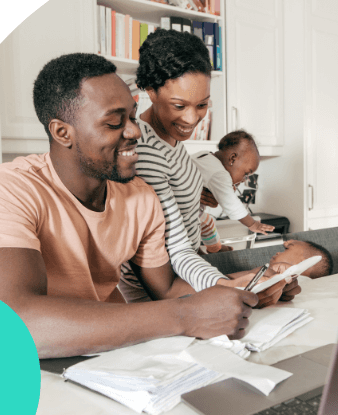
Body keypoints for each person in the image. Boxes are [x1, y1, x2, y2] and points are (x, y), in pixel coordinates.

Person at [0, 53, 297, 358]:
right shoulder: (8, 187)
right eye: (114, 123)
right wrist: (185, 316)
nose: (135, 131)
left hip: (106, 356)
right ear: (62, 132)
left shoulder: (140, 196)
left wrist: (244, 286)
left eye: (133, 116)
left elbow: (165, 290)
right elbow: (11, 323)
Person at [117, 29, 297, 304]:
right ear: (150, 91)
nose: (191, 118)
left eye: (202, 105)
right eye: (179, 105)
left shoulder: (170, 140)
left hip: (189, 274)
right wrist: (227, 285)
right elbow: (175, 250)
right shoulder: (148, 153)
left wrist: (194, 196)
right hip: (160, 295)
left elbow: (184, 210)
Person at [191, 129, 275, 253]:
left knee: (207, 222)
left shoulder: (205, 156)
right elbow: (231, 204)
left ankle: (215, 248)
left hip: (185, 209)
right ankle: (199, 254)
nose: (244, 179)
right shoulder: (220, 174)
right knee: (191, 237)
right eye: (246, 174)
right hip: (186, 214)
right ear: (232, 158)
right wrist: (253, 224)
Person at [227, 240, 334, 282]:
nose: (278, 252)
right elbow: (223, 280)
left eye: (287, 249)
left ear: (305, 263)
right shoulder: (267, 272)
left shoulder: (304, 282)